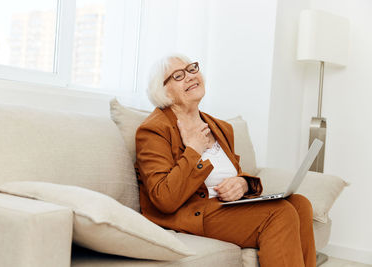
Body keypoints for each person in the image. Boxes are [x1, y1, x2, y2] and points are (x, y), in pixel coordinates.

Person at [134, 54, 316, 267]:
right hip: (192, 212)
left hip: (224, 207)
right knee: (279, 213)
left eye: (192, 69)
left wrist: (242, 183)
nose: (190, 76)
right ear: (164, 91)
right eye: (178, 75)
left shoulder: (221, 127)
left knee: (300, 204)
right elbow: (164, 198)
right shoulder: (154, 130)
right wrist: (193, 149)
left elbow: (235, 174)